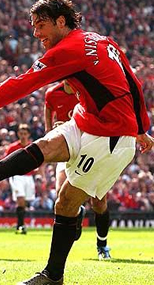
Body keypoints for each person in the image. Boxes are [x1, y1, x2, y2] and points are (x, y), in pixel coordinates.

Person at [0, 0, 153, 284]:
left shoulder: (67, 50)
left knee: (65, 203)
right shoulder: (99, 39)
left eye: (41, 26)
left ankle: (53, 275)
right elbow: (133, 82)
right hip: (86, 118)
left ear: (61, 22)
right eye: (33, 26)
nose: (35, 34)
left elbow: (18, 85)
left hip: (113, 136)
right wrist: (144, 125)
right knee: (46, 145)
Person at [45, 80, 113, 260]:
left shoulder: (90, 90)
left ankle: (102, 244)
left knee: (99, 202)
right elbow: (48, 109)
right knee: (61, 192)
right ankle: (76, 213)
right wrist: (50, 130)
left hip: (92, 148)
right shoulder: (52, 93)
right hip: (68, 148)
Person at [5, 124, 36, 234]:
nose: (23, 136)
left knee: (24, 202)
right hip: (17, 176)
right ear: (18, 134)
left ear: (28, 134)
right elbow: (5, 162)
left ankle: (19, 225)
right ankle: (21, 225)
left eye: (25, 134)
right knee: (21, 200)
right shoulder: (12, 148)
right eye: (21, 133)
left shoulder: (32, 147)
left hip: (29, 177)